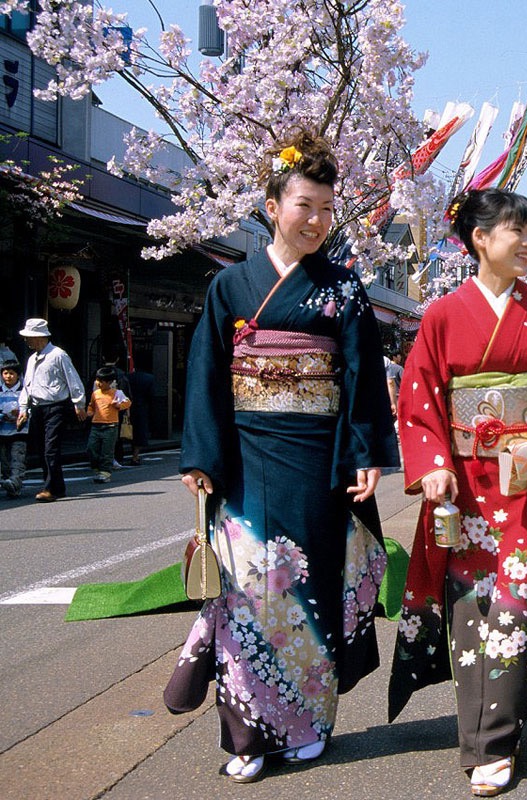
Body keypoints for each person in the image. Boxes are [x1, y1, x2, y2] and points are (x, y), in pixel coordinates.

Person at [164, 131, 399, 783]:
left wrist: (364, 455)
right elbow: (209, 372)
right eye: (304, 205)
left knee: (311, 592)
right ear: (272, 204)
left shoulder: (345, 290)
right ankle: (246, 735)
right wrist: (202, 456)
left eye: (327, 208)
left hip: (318, 464)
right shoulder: (231, 286)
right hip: (242, 462)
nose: (317, 220)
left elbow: (357, 377)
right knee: (246, 598)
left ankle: (308, 724)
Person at [388, 188, 527, 797]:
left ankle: (496, 744)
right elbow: (419, 400)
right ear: (480, 239)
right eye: (519, 232)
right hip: (466, 487)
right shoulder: (441, 315)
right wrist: (431, 465)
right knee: (469, 611)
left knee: (512, 607)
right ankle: (479, 736)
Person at [16, 318, 87, 502]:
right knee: (42, 448)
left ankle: (49, 488)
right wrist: (23, 408)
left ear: (40, 337)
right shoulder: (32, 359)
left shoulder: (58, 355)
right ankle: (58, 486)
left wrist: (79, 404)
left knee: (51, 448)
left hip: (56, 406)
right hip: (38, 408)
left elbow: (73, 380)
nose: (27, 341)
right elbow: (27, 385)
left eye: (29, 337)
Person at [85, 366, 130, 483]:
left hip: (111, 426)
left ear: (109, 382)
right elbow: (91, 405)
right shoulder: (95, 394)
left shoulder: (116, 393)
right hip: (96, 425)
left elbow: (128, 402)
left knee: (107, 451)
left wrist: (119, 406)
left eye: (101, 381)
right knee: (91, 447)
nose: (98, 383)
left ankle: (105, 473)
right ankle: (96, 466)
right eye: (97, 380)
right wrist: (89, 412)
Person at [1, 358, 26, 498]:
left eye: (11, 373)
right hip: (2, 431)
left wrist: (21, 414)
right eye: (5, 373)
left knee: (17, 458)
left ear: (18, 375)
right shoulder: (0, 392)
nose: (8, 376)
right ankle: (11, 485)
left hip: (19, 431)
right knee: (4, 462)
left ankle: (15, 481)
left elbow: (29, 409)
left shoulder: (23, 392)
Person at [126, 368, 155, 464]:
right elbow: (151, 394)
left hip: (127, 407)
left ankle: (116, 458)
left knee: (124, 431)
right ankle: (135, 456)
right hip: (141, 407)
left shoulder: (127, 377)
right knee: (139, 432)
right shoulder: (149, 378)